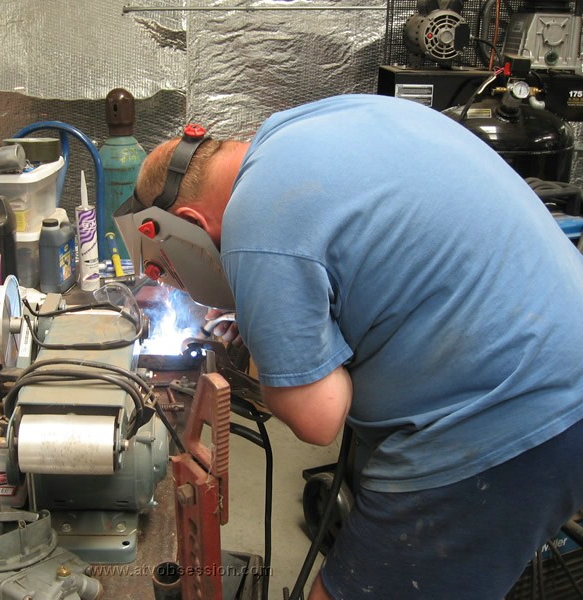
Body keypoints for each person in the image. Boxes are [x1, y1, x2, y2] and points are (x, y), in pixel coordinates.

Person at [130, 94, 583, 599]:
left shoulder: (254, 220)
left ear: (191, 223)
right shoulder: (304, 124)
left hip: (505, 412)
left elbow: (318, 418)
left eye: (174, 267)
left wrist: (279, 339)